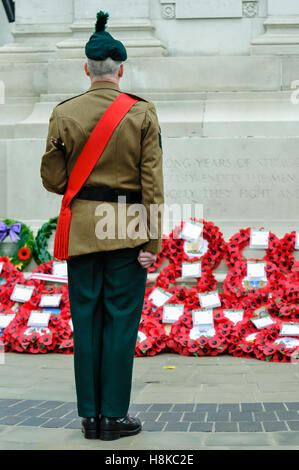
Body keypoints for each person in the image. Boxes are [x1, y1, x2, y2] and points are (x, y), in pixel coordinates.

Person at [40, 11, 164, 441]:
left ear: (86, 69)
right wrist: (153, 240)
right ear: (121, 69)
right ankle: (114, 415)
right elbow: (152, 184)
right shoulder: (143, 113)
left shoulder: (64, 113)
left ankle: (89, 417)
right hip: (127, 230)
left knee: (87, 321)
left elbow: (55, 181)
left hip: (83, 232)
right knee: (120, 322)